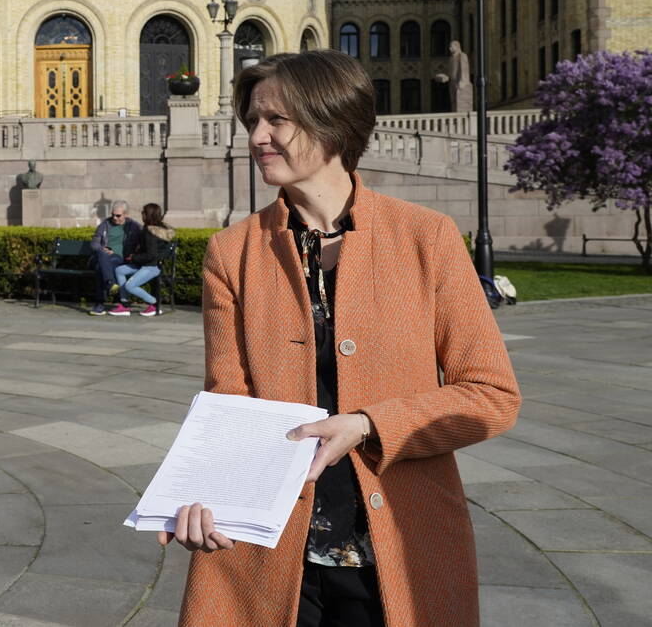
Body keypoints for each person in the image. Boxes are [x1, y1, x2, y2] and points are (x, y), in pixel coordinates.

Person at [163, 50, 520, 626]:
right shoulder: (232, 253)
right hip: (268, 551)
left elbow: (491, 395)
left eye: (276, 120)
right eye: (252, 121)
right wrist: (204, 493)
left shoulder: (425, 237)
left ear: (332, 122)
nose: (257, 137)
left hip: (399, 546)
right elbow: (227, 401)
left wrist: (367, 425)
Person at [109, 202, 175, 317]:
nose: (142, 214)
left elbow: (151, 255)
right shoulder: (158, 228)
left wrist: (133, 257)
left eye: (143, 212)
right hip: (146, 264)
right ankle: (124, 304)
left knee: (130, 286)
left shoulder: (151, 232)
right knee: (120, 270)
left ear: (148, 215)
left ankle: (154, 304)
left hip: (152, 266)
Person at [88, 199, 142, 316]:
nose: (115, 218)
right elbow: (94, 243)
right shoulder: (105, 224)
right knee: (102, 257)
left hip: (118, 258)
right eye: (113, 215)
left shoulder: (134, 226)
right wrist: (102, 249)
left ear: (126, 214)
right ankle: (110, 284)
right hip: (100, 257)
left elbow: (146, 239)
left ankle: (100, 303)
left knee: (99, 268)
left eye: (118, 215)